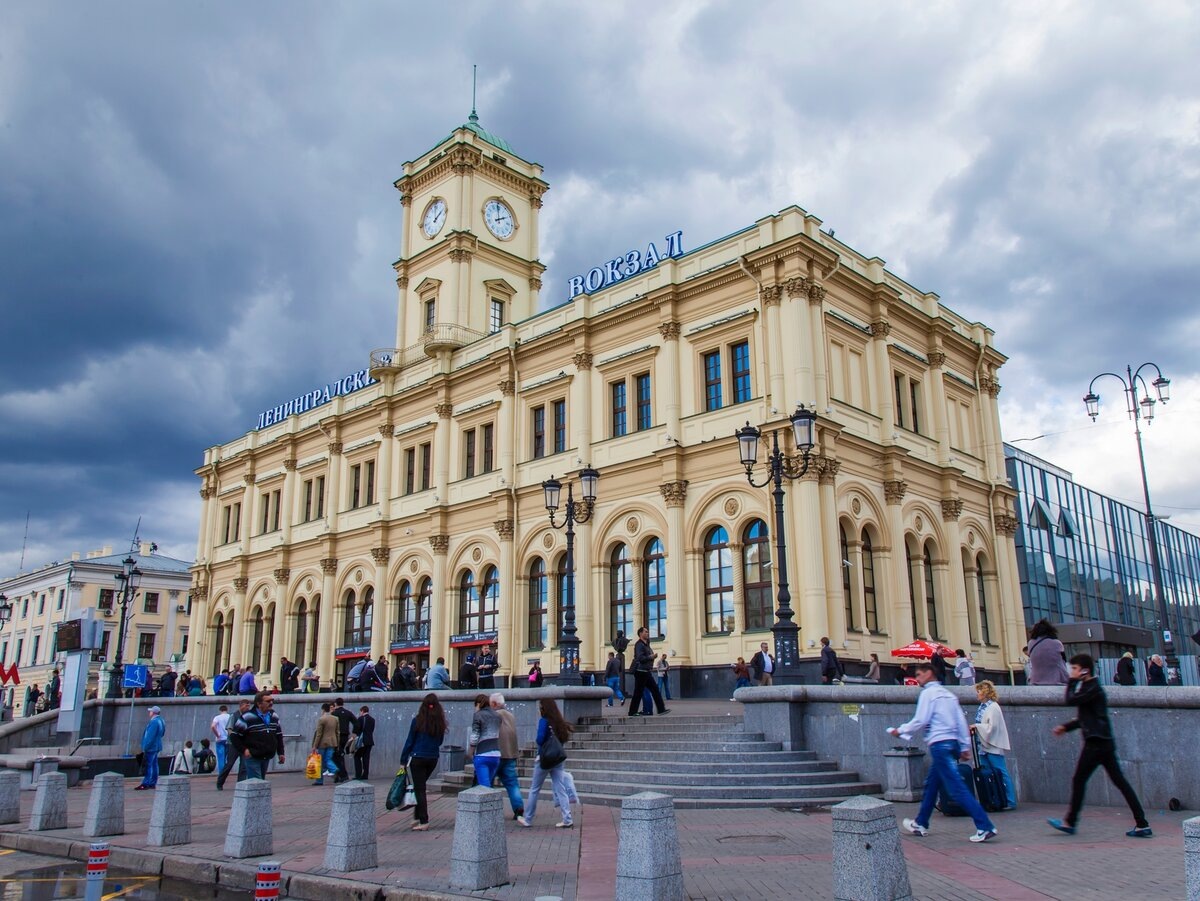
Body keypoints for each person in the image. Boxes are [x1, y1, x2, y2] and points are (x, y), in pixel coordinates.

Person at [888, 662, 998, 843]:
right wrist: (963, 746)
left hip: (939, 744)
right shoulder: (948, 695)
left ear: (930, 673)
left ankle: (984, 825)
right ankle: (921, 822)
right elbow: (960, 721)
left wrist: (900, 731)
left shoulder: (928, 694)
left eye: (919, 674)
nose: (917, 678)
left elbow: (920, 720)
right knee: (932, 785)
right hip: (952, 743)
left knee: (956, 788)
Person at [1048, 653, 1151, 838]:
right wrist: (1065, 727)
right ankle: (1142, 823)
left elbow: (1071, 700)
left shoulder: (1092, 687)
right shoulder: (1090, 687)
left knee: (1080, 780)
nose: (1071, 672)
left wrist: (1072, 681)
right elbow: (1085, 718)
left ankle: (1070, 822)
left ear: (1084, 670)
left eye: (1074, 668)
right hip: (1103, 742)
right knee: (1119, 782)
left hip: (1096, 743)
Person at [518, 697, 574, 828]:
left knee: (534, 789)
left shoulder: (544, 721)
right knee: (560, 788)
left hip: (544, 759)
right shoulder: (559, 721)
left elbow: (539, 739)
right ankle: (567, 818)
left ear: (544, 709)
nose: (539, 710)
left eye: (540, 707)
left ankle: (528, 818)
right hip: (557, 758)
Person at [401, 693, 447, 831]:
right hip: (433, 758)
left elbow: (410, 741)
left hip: (417, 758)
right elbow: (440, 741)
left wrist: (403, 760)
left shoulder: (417, 721)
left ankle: (423, 820)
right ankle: (416, 817)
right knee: (419, 787)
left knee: (420, 789)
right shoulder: (440, 722)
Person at [969, 681, 1016, 809]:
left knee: (1001, 771)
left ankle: (1010, 800)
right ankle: (993, 798)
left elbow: (992, 727)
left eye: (979, 692)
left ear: (985, 693)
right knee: (988, 772)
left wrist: (976, 726)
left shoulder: (993, 707)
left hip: (992, 745)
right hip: (983, 745)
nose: (977, 694)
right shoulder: (983, 706)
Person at [229, 691, 285, 780]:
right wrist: (244, 750)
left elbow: (278, 735)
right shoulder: (247, 717)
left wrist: (281, 753)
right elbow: (234, 735)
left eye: (272, 700)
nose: (271, 703)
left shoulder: (274, 716)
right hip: (253, 756)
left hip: (267, 755)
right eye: (268, 701)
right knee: (256, 781)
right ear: (259, 704)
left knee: (261, 780)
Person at [490, 693, 524, 821]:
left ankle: (488, 808)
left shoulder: (493, 715)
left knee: (488, 784)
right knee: (512, 783)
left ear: (494, 704)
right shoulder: (511, 716)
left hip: (495, 754)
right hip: (510, 754)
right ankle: (518, 807)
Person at [627, 627, 668, 717]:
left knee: (655, 689)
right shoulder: (639, 645)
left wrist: (651, 657)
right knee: (639, 692)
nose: (647, 633)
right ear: (640, 634)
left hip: (646, 671)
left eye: (648, 632)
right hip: (640, 671)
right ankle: (632, 712)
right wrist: (651, 657)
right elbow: (640, 658)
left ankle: (661, 709)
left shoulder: (646, 644)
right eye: (646, 632)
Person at [216, 698, 252, 789]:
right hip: (233, 744)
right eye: (246, 706)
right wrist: (235, 739)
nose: (248, 708)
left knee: (244, 766)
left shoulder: (249, 716)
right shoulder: (234, 716)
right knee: (229, 764)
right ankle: (220, 782)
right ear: (241, 706)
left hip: (244, 745)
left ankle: (240, 785)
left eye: (249, 706)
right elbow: (229, 729)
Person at [469, 692, 502, 789]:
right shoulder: (497, 716)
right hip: (496, 755)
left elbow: (475, 735)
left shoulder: (478, 715)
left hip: (482, 754)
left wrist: (470, 751)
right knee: (489, 784)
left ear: (478, 704)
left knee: (484, 787)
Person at [1027, 619, 1069, 685]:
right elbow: (1063, 661)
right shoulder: (1057, 643)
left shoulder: (1030, 643)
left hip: (1035, 680)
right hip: (1057, 680)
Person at [135, 706, 167, 790]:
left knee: (148, 765)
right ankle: (153, 782)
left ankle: (146, 783)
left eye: (150, 711)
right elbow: (163, 733)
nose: (149, 712)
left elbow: (150, 736)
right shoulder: (161, 721)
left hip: (151, 747)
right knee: (154, 764)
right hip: (157, 745)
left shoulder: (154, 722)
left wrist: (145, 747)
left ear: (153, 713)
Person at [310, 702, 340, 785]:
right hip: (332, 742)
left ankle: (321, 779)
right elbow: (337, 732)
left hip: (322, 743)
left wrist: (314, 746)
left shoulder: (321, 719)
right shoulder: (335, 718)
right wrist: (337, 742)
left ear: (323, 709)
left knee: (320, 761)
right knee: (328, 758)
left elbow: (319, 734)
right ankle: (334, 769)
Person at [331, 697, 357, 783]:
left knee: (337, 755)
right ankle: (339, 775)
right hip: (345, 736)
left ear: (335, 704)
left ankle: (342, 774)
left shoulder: (334, 713)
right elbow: (356, 722)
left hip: (336, 736)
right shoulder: (347, 713)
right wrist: (354, 733)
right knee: (340, 754)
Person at [353, 705, 375, 779]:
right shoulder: (372, 719)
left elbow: (356, 730)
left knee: (357, 756)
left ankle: (358, 774)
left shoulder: (360, 719)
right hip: (370, 741)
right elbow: (371, 730)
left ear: (362, 711)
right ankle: (365, 775)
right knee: (366, 758)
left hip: (362, 741)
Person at [211, 704, 232, 776]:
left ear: (220, 710)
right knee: (227, 758)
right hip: (228, 739)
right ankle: (226, 773)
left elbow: (213, 726)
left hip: (220, 740)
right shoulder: (230, 717)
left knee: (221, 758)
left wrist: (217, 735)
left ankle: (221, 775)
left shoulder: (217, 717)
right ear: (226, 709)